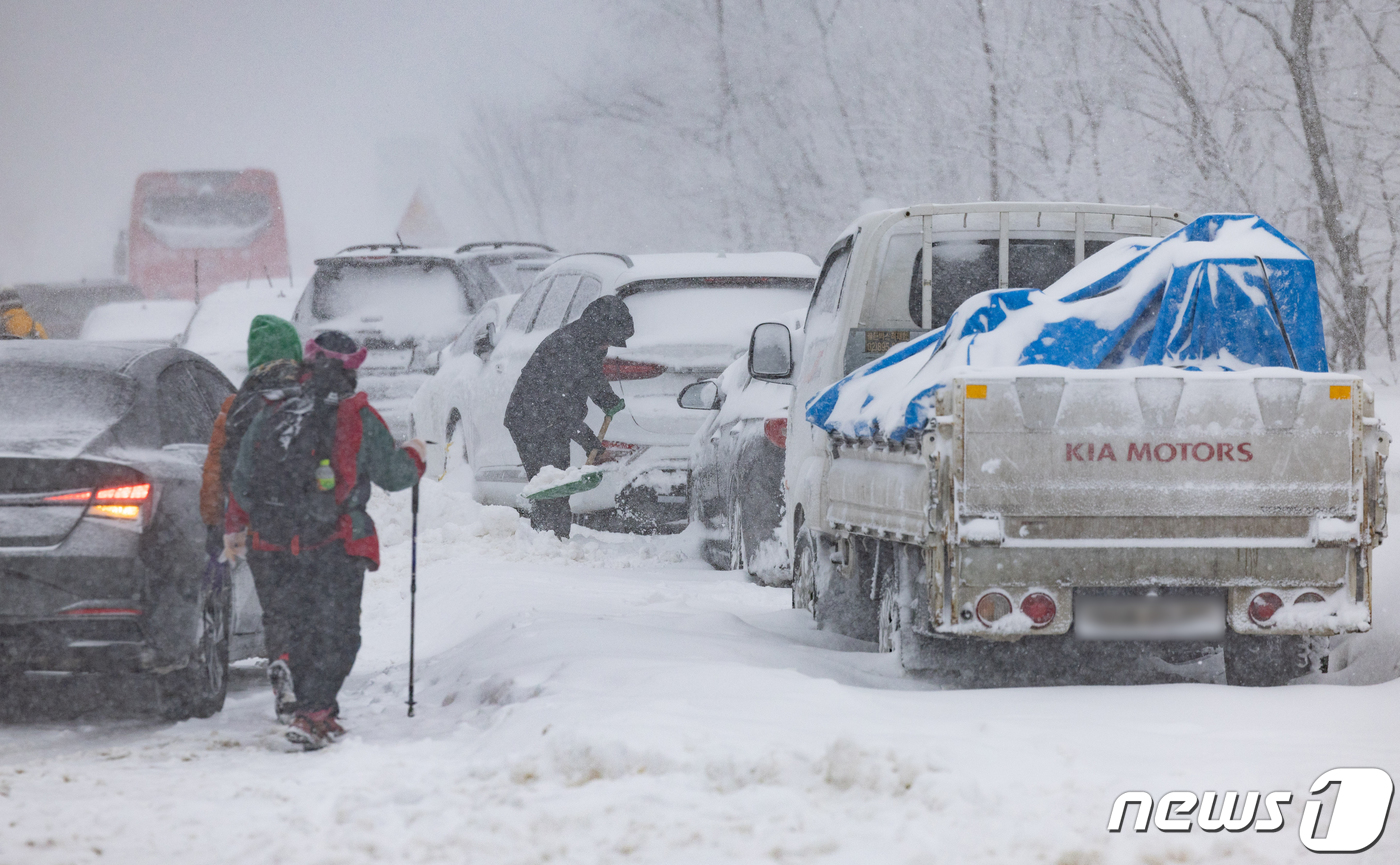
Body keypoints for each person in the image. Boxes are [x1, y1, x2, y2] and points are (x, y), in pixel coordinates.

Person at [226, 331, 426, 749]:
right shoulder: (357, 415)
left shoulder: (273, 410)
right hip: (336, 542)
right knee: (337, 633)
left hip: (278, 543)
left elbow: (243, 480)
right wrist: (415, 456)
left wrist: (239, 526)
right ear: (352, 368)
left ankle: (310, 704)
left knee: (299, 629)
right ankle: (314, 713)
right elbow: (395, 476)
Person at [198, 314, 304, 722]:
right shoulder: (310, 398)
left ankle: (281, 661)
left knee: (275, 605)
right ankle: (305, 672)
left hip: (259, 526)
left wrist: (215, 524)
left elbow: (215, 474)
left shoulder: (236, 406)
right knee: (307, 602)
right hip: (308, 523)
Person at [504, 295, 634, 539]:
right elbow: (561, 413)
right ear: (598, 331)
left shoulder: (588, 343)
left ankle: (553, 541)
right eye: (608, 340)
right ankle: (549, 543)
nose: (608, 347)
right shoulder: (564, 349)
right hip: (530, 421)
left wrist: (607, 400)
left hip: (550, 420)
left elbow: (591, 377)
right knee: (551, 488)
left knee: (557, 486)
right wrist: (592, 446)